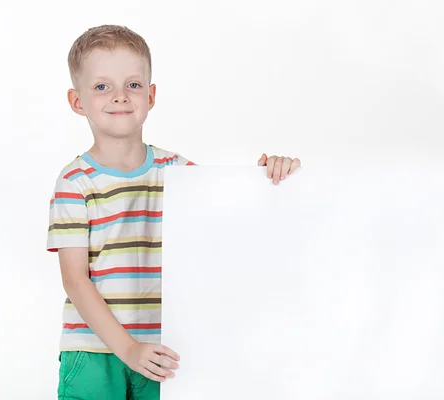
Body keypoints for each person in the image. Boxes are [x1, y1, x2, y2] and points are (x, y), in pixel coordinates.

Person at [47, 24, 301, 399]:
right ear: (77, 101)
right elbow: (75, 280)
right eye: (102, 86)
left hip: (166, 352)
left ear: (150, 96)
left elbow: (237, 220)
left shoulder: (181, 173)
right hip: (93, 351)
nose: (119, 96)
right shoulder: (74, 182)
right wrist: (127, 349)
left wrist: (270, 175)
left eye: (132, 85)